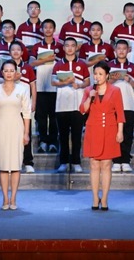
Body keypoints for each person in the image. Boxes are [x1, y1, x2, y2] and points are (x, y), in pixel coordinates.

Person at [80, 60, 125, 210]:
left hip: (110, 130)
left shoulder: (115, 90)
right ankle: (95, 198)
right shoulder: (89, 90)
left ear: (106, 75)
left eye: (100, 74)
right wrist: (89, 97)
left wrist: (120, 131)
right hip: (93, 129)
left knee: (106, 165)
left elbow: (120, 113)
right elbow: (83, 110)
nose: (97, 77)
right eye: (95, 74)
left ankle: (104, 198)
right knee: (94, 165)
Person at [0, 60, 32, 210]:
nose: (9, 73)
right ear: (2, 72)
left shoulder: (23, 89)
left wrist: (26, 133)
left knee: (16, 165)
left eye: (12, 70)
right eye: (6, 70)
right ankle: (5, 198)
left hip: (17, 128)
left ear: (16, 72)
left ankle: (13, 198)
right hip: (1, 128)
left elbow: (27, 113)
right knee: (3, 165)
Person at [51, 37, 90, 173]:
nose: (69, 48)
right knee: (62, 135)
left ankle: (76, 162)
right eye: (67, 45)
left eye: (72, 45)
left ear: (76, 47)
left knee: (76, 135)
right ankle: (63, 162)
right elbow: (53, 82)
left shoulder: (82, 64)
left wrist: (79, 85)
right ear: (63, 48)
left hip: (77, 105)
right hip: (62, 105)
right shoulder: (58, 64)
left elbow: (87, 82)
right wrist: (65, 82)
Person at [109, 2, 134, 133]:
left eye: (132, 11)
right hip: (118, 67)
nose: (130, 13)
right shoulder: (118, 29)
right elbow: (112, 44)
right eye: (127, 11)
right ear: (124, 13)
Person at [29, 18, 62, 154]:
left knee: (54, 115)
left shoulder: (60, 46)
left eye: (50, 27)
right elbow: (31, 63)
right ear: (41, 30)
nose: (48, 30)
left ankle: (53, 142)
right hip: (40, 85)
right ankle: (43, 141)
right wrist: (47, 59)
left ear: (54, 30)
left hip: (55, 86)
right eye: (45, 27)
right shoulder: (37, 46)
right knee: (41, 115)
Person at [109, 40, 134, 172]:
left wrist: (130, 80)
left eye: (124, 48)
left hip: (129, 104)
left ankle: (125, 160)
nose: (121, 51)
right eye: (119, 48)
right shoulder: (109, 65)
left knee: (128, 133)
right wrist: (114, 78)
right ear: (115, 50)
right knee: (114, 133)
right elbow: (102, 83)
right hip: (112, 105)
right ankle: (116, 161)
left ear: (128, 50)